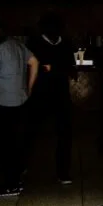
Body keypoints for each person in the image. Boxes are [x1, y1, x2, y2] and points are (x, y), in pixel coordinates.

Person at [0, 16, 38, 197]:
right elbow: (34, 62)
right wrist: (28, 88)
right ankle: (16, 181)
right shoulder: (17, 45)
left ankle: (8, 185)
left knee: (3, 144)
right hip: (20, 100)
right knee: (16, 142)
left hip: (2, 101)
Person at [29, 12, 76, 184]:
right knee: (32, 132)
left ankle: (62, 171)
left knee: (63, 133)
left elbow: (68, 66)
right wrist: (56, 67)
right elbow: (67, 66)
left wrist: (50, 67)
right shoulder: (37, 43)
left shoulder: (61, 43)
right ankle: (25, 165)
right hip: (44, 93)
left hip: (54, 93)